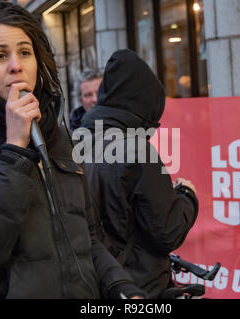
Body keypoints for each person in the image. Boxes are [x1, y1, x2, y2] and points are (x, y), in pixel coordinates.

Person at [0, 1, 145, 299]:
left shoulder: (58, 136)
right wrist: (15, 149)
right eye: (0, 55)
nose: (16, 65)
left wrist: (123, 289)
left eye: (25, 52)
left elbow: (87, 238)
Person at [81, 49, 199, 298]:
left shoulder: (79, 141)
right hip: (140, 286)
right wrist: (188, 195)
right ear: (146, 103)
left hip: (100, 283)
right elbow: (168, 231)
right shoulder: (137, 150)